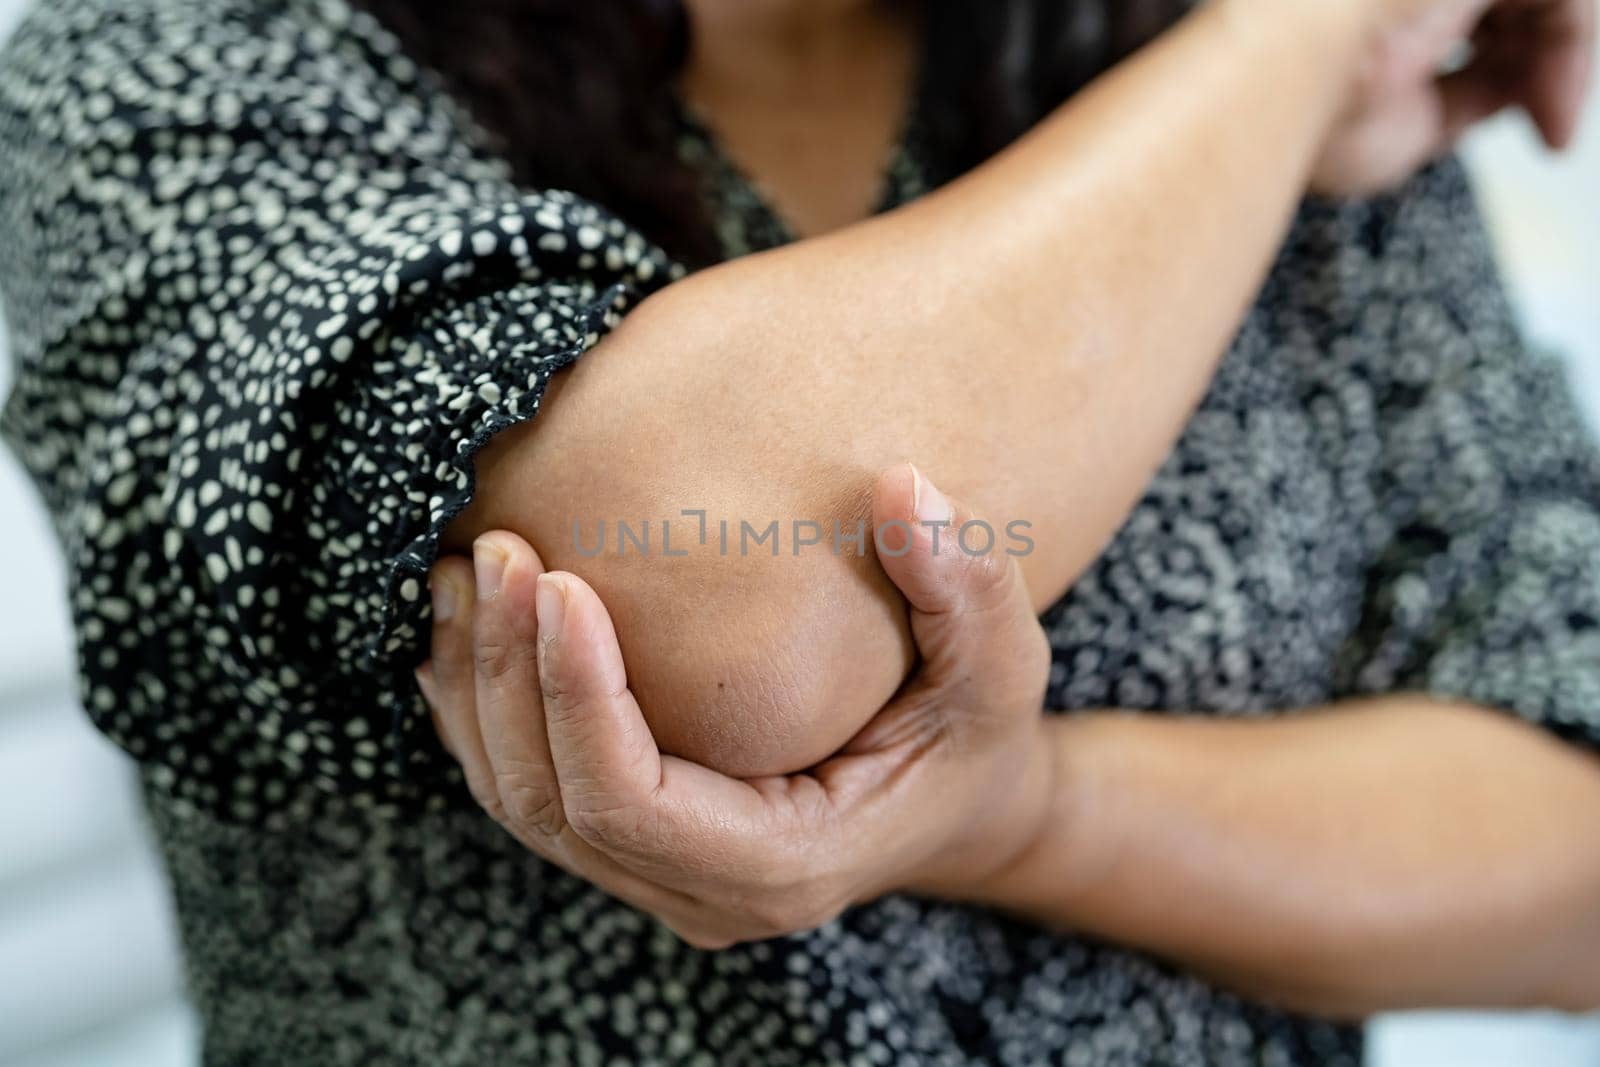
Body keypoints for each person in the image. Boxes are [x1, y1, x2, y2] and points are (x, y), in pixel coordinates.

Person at [0, 0, 1596, 1061]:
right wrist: (1305, 27)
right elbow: (721, 629)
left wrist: (1026, 814)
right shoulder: (184, 67)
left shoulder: (1175, 64)